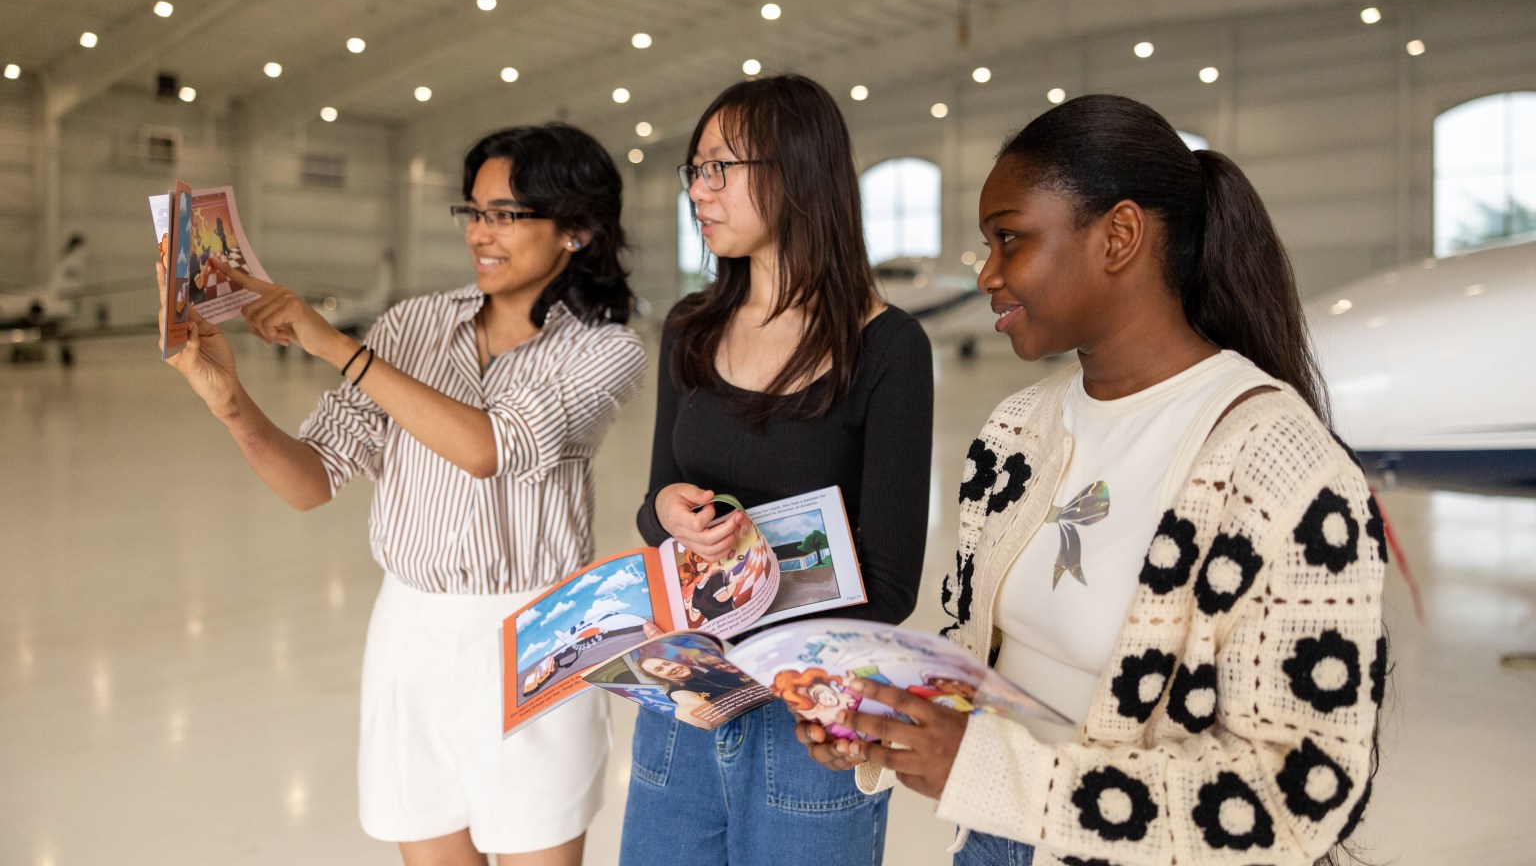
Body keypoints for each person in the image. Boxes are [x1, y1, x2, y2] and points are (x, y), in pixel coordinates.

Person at [799, 95, 1387, 866]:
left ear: (1119, 236)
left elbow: (1298, 791)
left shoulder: (1280, 468)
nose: (987, 273)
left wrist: (988, 771)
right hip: (994, 843)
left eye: (1010, 239)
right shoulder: (1016, 430)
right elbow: (981, 655)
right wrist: (888, 718)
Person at [159, 123, 646, 866]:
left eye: (506, 216)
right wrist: (230, 403)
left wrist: (333, 343)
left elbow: (490, 447)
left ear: (576, 230)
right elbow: (311, 480)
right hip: (410, 633)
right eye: (473, 212)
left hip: (543, 631)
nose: (481, 234)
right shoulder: (411, 325)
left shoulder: (603, 349)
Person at [621, 74, 935, 866]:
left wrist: (755, 557)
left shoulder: (888, 348)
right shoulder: (691, 328)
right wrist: (667, 510)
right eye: (694, 170)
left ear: (796, 172)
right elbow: (654, 512)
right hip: (685, 701)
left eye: (720, 167)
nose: (700, 188)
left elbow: (891, 585)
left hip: (811, 717)